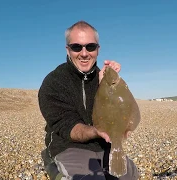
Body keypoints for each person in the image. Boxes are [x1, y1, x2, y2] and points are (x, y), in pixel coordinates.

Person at [38, 20, 139, 180]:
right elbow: (68, 127)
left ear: (98, 50)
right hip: (69, 145)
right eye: (77, 47)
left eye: (90, 46)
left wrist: (105, 83)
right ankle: (52, 165)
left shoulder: (103, 78)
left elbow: (123, 105)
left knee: (129, 176)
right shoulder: (54, 82)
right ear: (68, 49)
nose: (84, 53)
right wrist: (97, 130)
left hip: (104, 144)